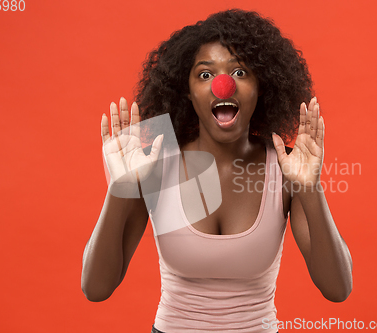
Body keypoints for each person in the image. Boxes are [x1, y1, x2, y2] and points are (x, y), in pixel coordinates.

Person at [81, 9, 352, 333]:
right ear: (187, 91)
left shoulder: (287, 169)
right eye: (205, 75)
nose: (223, 86)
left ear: (261, 86)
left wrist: (310, 188)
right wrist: (119, 188)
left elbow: (338, 289)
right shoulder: (154, 164)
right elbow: (96, 289)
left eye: (239, 72)